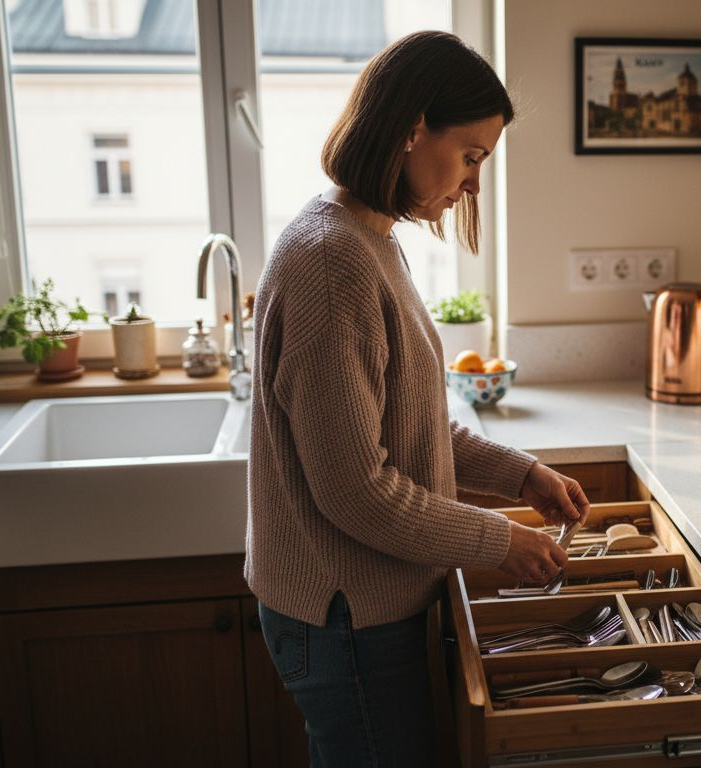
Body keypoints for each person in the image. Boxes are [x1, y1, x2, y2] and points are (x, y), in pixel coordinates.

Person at [247, 31, 588, 766]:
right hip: (345, 619)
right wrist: (501, 540)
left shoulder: (367, 238)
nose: (472, 184)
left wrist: (519, 474)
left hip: (360, 610)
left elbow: (410, 427)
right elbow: (358, 492)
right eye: (470, 156)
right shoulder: (334, 261)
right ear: (411, 128)